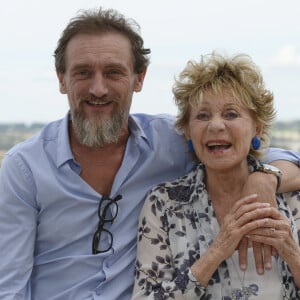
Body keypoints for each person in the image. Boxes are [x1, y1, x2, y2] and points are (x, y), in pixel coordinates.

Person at [0, 8, 299, 300]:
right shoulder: (24, 168)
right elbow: (9, 286)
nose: (98, 88)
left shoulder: (174, 141)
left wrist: (264, 178)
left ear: (139, 78)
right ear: (62, 79)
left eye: (114, 72)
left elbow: (251, 151)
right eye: (83, 72)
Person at [132, 52, 300, 299]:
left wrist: (292, 254)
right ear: (188, 132)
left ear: (257, 127)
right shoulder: (163, 203)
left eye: (231, 114)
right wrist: (216, 251)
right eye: (202, 115)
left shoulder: (292, 197)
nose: (216, 126)